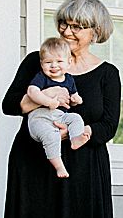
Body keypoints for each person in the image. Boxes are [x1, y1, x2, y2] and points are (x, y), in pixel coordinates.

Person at [2, 0, 121, 218]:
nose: (68, 31)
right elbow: (11, 104)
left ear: (96, 31)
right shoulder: (39, 61)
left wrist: (75, 133)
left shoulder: (107, 73)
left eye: (77, 26)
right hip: (37, 163)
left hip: (85, 168)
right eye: (64, 24)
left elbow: (109, 125)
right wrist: (42, 100)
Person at [25, 36, 91, 178]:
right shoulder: (42, 77)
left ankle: (76, 139)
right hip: (40, 118)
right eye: (48, 62)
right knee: (51, 136)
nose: (54, 66)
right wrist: (48, 101)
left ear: (69, 62)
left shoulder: (69, 79)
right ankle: (59, 166)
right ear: (42, 63)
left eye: (59, 61)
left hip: (60, 116)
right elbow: (32, 92)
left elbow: (72, 97)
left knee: (75, 118)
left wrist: (75, 99)